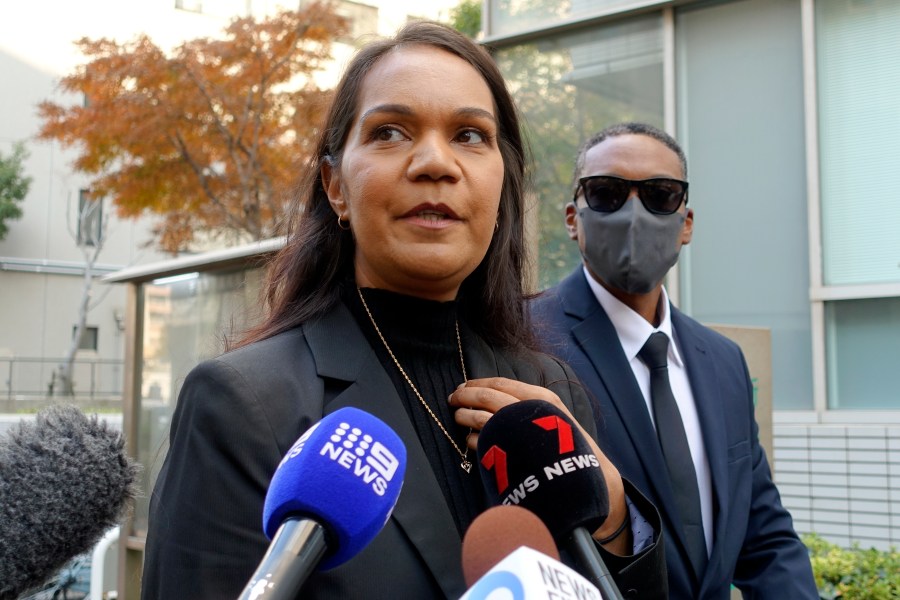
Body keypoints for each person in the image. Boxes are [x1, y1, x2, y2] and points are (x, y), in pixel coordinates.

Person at [141, 24, 668, 599]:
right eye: (390, 132)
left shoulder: (549, 391)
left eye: (470, 135)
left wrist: (613, 514)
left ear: (501, 186)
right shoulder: (243, 404)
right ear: (335, 185)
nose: (435, 163)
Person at [530, 122, 818, 599]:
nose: (634, 215)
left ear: (686, 223)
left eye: (661, 195)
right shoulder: (522, 341)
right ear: (572, 218)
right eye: (607, 193)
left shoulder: (723, 361)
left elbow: (763, 535)